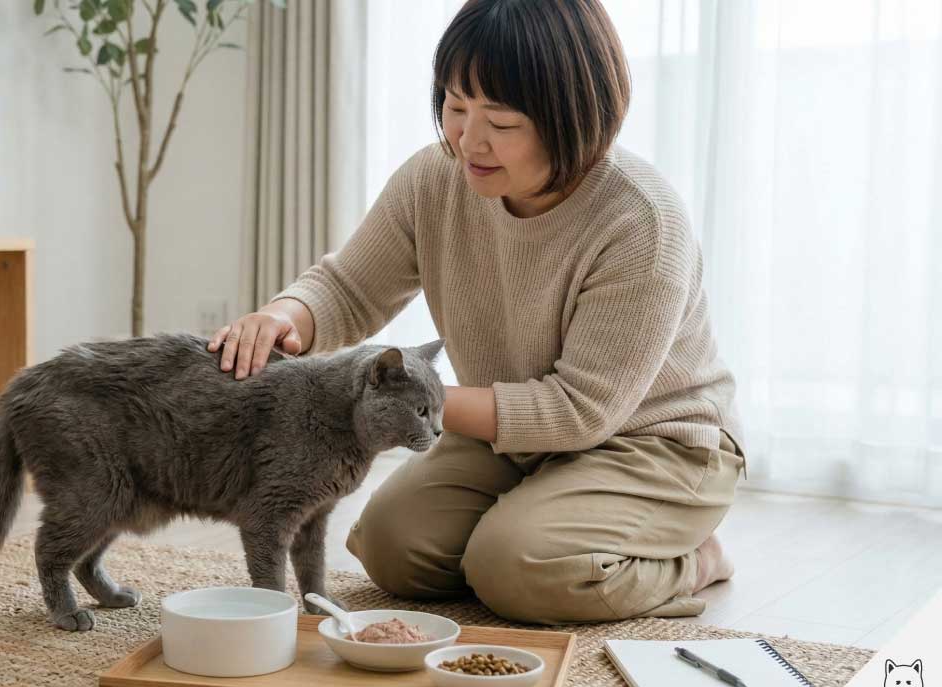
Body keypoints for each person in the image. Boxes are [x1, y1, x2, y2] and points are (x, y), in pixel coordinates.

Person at [208, 0, 744, 625]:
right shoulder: (436, 179)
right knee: (391, 548)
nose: (469, 139)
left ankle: (694, 558)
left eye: (502, 121)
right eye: (456, 107)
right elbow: (350, 287)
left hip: (654, 444)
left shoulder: (641, 222)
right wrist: (283, 317)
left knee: (514, 570)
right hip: (512, 438)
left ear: (573, 115)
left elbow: (579, 412)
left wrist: (384, 396)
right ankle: (537, 527)